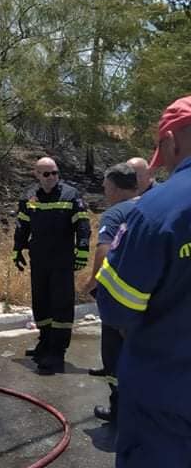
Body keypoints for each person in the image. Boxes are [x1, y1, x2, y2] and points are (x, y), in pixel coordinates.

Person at [73, 96, 191, 468]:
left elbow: (116, 307)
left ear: (170, 144)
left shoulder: (160, 210)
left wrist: (115, 266)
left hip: (167, 395)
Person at [13, 157, 91, 375]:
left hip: (62, 262)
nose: (52, 178)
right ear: (36, 174)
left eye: (55, 173)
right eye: (46, 174)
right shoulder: (30, 197)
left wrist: (82, 252)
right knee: (41, 304)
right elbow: (23, 225)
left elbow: (83, 226)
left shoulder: (71, 195)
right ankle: (45, 343)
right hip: (39, 261)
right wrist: (17, 249)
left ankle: (57, 353)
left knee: (61, 306)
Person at [84, 163, 138, 425]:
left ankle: (118, 411)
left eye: (105, 187)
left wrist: (92, 282)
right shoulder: (151, 206)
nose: (104, 192)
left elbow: (104, 251)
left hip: (118, 299)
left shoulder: (115, 214)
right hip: (147, 298)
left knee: (114, 356)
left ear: (115, 187)